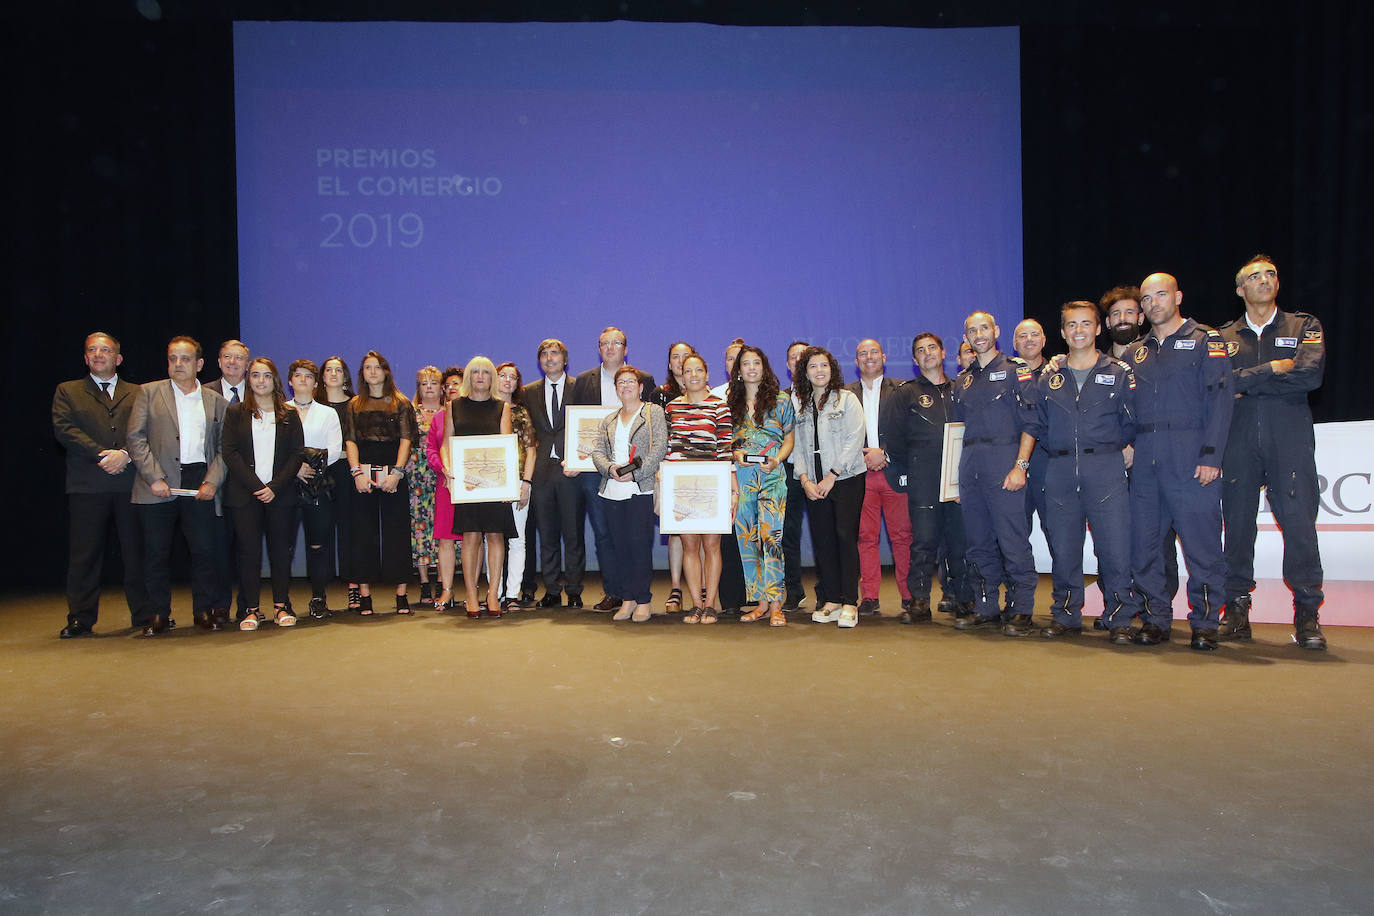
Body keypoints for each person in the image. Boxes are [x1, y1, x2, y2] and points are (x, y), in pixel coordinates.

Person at [1217, 254, 1327, 650]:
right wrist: (1273, 370)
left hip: (1289, 441)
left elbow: (1309, 375)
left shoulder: (1304, 325)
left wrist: (1249, 383)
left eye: (1271, 274)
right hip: (1238, 442)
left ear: (1277, 284)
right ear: (1240, 289)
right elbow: (1220, 386)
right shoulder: (1221, 337)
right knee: (1238, 527)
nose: (1264, 280)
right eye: (1254, 276)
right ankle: (1236, 608)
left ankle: (1308, 613)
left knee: (1299, 526)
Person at [1127, 272, 1234, 650]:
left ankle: (1205, 622)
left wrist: (1211, 456)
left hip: (1190, 455)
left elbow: (1221, 402)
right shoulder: (1134, 353)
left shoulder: (1206, 341)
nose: (1153, 303)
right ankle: (1155, 618)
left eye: (1161, 294)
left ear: (1178, 297)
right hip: (1145, 460)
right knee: (1145, 545)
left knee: (1201, 544)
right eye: (1146, 298)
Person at [1024, 302, 1143, 639]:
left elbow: (1131, 420)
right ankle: (1066, 614)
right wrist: (1064, 448)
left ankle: (1119, 617)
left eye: (1085, 324)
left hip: (1105, 468)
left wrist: (1110, 449)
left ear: (1097, 329)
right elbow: (1038, 425)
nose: (1079, 331)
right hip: (1060, 469)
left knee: (1114, 547)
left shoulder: (1119, 373)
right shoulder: (1049, 378)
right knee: (1063, 547)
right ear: (1063, 332)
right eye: (1072, 325)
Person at [126, 336, 229, 636]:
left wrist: (212, 480)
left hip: (200, 480)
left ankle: (204, 611)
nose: (178, 364)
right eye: (173, 358)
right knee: (156, 552)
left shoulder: (216, 401)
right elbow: (135, 438)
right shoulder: (148, 393)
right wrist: (153, 477)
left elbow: (225, 448)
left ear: (199, 364)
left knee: (204, 551)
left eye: (185, 359)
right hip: (158, 481)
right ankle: (157, 614)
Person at [51, 332, 148, 637]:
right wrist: (101, 454)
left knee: (137, 553)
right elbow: (64, 429)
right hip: (87, 484)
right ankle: (80, 617)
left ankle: (145, 615)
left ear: (118, 359)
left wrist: (126, 455)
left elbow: (150, 430)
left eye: (105, 350)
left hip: (132, 482)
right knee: (84, 555)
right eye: (92, 350)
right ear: (85, 358)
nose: (98, 355)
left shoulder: (139, 392)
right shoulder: (68, 391)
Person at [949, 311, 1039, 636]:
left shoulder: (1017, 371)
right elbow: (958, 433)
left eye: (983, 328)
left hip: (1005, 459)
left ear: (995, 331)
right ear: (967, 338)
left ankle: (1021, 609)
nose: (978, 334)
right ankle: (986, 605)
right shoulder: (963, 380)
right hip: (971, 463)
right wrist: (954, 479)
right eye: (972, 330)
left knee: (1012, 539)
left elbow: (1031, 423)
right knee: (978, 542)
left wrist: (1021, 466)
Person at [887, 332, 973, 623]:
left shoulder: (961, 388)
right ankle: (919, 601)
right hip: (923, 478)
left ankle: (964, 599)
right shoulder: (906, 393)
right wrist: (908, 470)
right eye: (920, 351)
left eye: (931, 348)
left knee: (960, 542)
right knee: (923, 542)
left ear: (943, 352)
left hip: (959, 479)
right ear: (914, 359)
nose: (927, 354)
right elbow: (895, 440)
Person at [569, 327, 654, 611]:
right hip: (596, 471)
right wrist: (573, 458)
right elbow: (576, 426)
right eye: (604, 343)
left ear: (625, 348)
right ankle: (615, 591)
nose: (609, 347)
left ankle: (636, 595)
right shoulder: (582, 381)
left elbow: (652, 435)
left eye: (616, 342)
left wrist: (637, 469)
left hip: (636, 473)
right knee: (606, 533)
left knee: (635, 536)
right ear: (598, 348)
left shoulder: (645, 380)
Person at [222, 357, 305, 630]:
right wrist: (258, 487)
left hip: (281, 495)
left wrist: (274, 487)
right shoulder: (235, 413)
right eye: (255, 375)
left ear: (275, 381)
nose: (260, 381)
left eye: (266, 375)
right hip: (245, 495)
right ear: (249, 380)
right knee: (249, 553)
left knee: (281, 552)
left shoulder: (289, 415)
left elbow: (296, 454)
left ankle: (281, 606)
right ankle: (251, 609)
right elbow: (230, 453)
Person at [793, 346, 867, 628]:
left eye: (824, 365)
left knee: (844, 538)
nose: (819, 371)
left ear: (832, 369)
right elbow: (798, 446)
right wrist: (805, 480)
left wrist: (832, 475)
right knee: (823, 542)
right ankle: (832, 600)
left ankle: (850, 601)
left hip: (845, 479)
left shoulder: (846, 400)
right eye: (813, 366)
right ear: (805, 372)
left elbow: (854, 439)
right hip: (813, 483)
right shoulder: (800, 404)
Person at [590, 366, 669, 622]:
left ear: (640, 386)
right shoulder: (609, 419)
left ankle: (643, 598)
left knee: (638, 545)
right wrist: (609, 468)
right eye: (620, 382)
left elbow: (659, 448)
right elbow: (597, 451)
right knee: (619, 546)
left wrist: (634, 474)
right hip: (611, 490)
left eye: (630, 382)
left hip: (640, 489)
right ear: (615, 389)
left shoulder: (652, 412)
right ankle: (627, 598)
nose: (625, 386)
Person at [343, 350, 419, 616]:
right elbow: (350, 441)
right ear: (362, 373)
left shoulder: (400, 403)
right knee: (362, 534)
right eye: (367, 367)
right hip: (362, 474)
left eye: (377, 367)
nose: (372, 371)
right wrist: (356, 473)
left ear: (386, 371)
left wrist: (397, 473)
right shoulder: (354, 404)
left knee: (397, 533)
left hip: (393, 473)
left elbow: (406, 440)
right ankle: (365, 595)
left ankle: (401, 595)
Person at [442, 356, 516, 619]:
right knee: (471, 537)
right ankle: (471, 593)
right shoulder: (454, 406)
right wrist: (448, 469)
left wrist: (508, 483)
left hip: (494, 484)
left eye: (486, 372)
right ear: (468, 377)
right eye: (476, 372)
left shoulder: (501, 407)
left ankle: (493, 592)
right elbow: (446, 444)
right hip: (466, 485)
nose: (481, 376)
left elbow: (507, 446)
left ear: (492, 378)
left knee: (496, 536)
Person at [665, 353, 736, 624]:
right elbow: (669, 448)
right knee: (689, 545)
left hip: (712, 483)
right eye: (688, 371)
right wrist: (665, 475)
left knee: (712, 545)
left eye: (698, 370)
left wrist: (732, 490)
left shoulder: (720, 407)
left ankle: (710, 604)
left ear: (707, 375)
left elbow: (726, 449)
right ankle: (695, 604)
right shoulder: (672, 408)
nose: (693, 375)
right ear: (681, 376)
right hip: (681, 485)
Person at [728, 345, 795, 626]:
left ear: (764, 367)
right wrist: (736, 454)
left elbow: (790, 438)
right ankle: (760, 603)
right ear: (739, 371)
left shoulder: (781, 401)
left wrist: (777, 459)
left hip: (772, 477)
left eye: (756, 362)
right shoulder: (732, 402)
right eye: (746, 363)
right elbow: (728, 440)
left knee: (771, 539)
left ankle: (777, 603)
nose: (751, 367)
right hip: (744, 480)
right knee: (748, 540)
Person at [846, 338, 912, 615]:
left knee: (903, 536)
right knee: (865, 538)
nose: (868, 357)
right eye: (863, 354)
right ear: (856, 361)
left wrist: (884, 454)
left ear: (884, 356)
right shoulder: (846, 394)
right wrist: (860, 457)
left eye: (873, 352)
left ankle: (910, 597)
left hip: (894, 471)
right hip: (861, 476)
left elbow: (911, 432)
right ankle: (870, 596)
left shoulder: (902, 390)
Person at [523, 340, 584, 609]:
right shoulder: (528, 392)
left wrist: (582, 460)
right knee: (546, 534)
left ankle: (574, 590)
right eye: (544, 355)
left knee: (573, 534)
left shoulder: (580, 387)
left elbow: (589, 425)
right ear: (539, 362)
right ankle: (551, 590)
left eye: (554, 353)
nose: (549, 358)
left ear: (565, 359)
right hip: (541, 473)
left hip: (572, 471)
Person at [286, 359, 343, 619]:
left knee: (318, 545)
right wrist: (294, 468)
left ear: (315, 383)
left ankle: (319, 598)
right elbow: (272, 451)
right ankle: (281, 601)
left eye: (308, 377)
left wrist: (306, 465)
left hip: (318, 485)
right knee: (283, 545)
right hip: (285, 485)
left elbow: (333, 451)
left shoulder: (328, 413)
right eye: (297, 376)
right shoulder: (279, 411)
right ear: (290, 381)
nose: (303, 380)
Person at [206, 339, 251, 623]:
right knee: (217, 548)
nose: (233, 362)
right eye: (227, 357)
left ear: (248, 364)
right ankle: (219, 604)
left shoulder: (262, 393)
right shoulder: (201, 393)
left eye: (239, 358)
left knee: (248, 549)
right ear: (219, 361)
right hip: (217, 483)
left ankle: (248, 605)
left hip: (252, 484)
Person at [650, 341, 696, 614]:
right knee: (677, 531)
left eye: (686, 356)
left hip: (703, 471)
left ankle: (700, 589)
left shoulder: (707, 393)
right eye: (675, 357)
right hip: (671, 469)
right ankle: (677, 587)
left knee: (703, 532)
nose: (680, 361)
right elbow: (656, 434)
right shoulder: (660, 394)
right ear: (669, 364)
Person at [495, 361, 539, 613]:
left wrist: (526, 483)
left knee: (517, 539)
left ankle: (512, 593)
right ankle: (495, 592)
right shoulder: (485, 410)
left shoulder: (522, 413)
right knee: (493, 539)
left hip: (518, 482)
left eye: (513, 376)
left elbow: (531, 450)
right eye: (503, 375)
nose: (507, 380)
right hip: (491, 484)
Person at [320, 356, 361, 610]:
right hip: (320, 473)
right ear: (322, 375)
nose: (334, 374)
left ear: (345, 376)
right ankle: (319, 590)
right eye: (328, 370)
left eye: (338, 370)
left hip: (347, 471)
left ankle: (354, 586)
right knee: (321, 531)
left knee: (350, 531)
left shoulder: (355, 404)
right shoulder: (312, 404)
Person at [779, 340, 817, 611]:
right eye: (793, 357)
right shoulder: (779, 397)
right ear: (788, 365)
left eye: (804, 356)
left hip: (819, 472)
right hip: (789, 471)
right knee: (788, 533)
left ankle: (829, 591)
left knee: (824, 532)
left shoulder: (825, 394)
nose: (798, 361)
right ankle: (793, 590)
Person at [427, 366, 464, 610]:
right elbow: (431, 449)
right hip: (446, 485)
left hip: (474, 485)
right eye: (448, 384)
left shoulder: (474, 414)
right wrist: (444, 468)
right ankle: (447, 590)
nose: (451, 388)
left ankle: (473, 589)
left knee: (474, 537)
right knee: (445, 540)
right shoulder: (438, 418)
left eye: (456, 384)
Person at [409, 366, 444, 606]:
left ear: (442, 387)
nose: (429, 387)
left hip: (442, 476)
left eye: (433, 382)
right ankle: (423, 583)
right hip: (418, 478)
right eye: (424, 383)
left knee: (442, 529)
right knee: (420, 528)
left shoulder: (450, 412)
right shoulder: (411, 414)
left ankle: (443, 580)